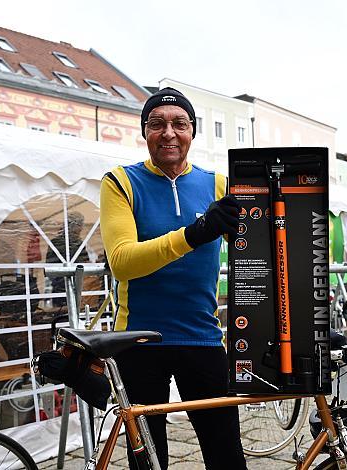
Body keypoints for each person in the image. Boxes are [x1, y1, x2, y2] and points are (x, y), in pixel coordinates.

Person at [99, 87, 246, 470]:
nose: (168, 133)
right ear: (144, 132)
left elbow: (258, 256)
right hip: (139, 341)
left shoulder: (218, 185)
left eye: (179, 123)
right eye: (157, 124)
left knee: (227, 457)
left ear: (192, 132)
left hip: (203, 336)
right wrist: (195, 233)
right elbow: (122, 262)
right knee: (148, 463)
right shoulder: (120, 182)